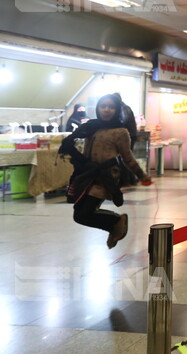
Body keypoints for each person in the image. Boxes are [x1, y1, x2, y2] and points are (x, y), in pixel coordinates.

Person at [59, 94, 152, 249]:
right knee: (79, 215)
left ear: (117, 110)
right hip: (87, 174)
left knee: (85, 213)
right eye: (103, 106)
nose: (106, 110)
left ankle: (116, 221)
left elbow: (128, 157)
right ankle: (114, 225)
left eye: (111, 107)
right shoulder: (92, 126)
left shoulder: (121, 132)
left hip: (105, 177)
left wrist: (142, 176)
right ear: (98, 108)